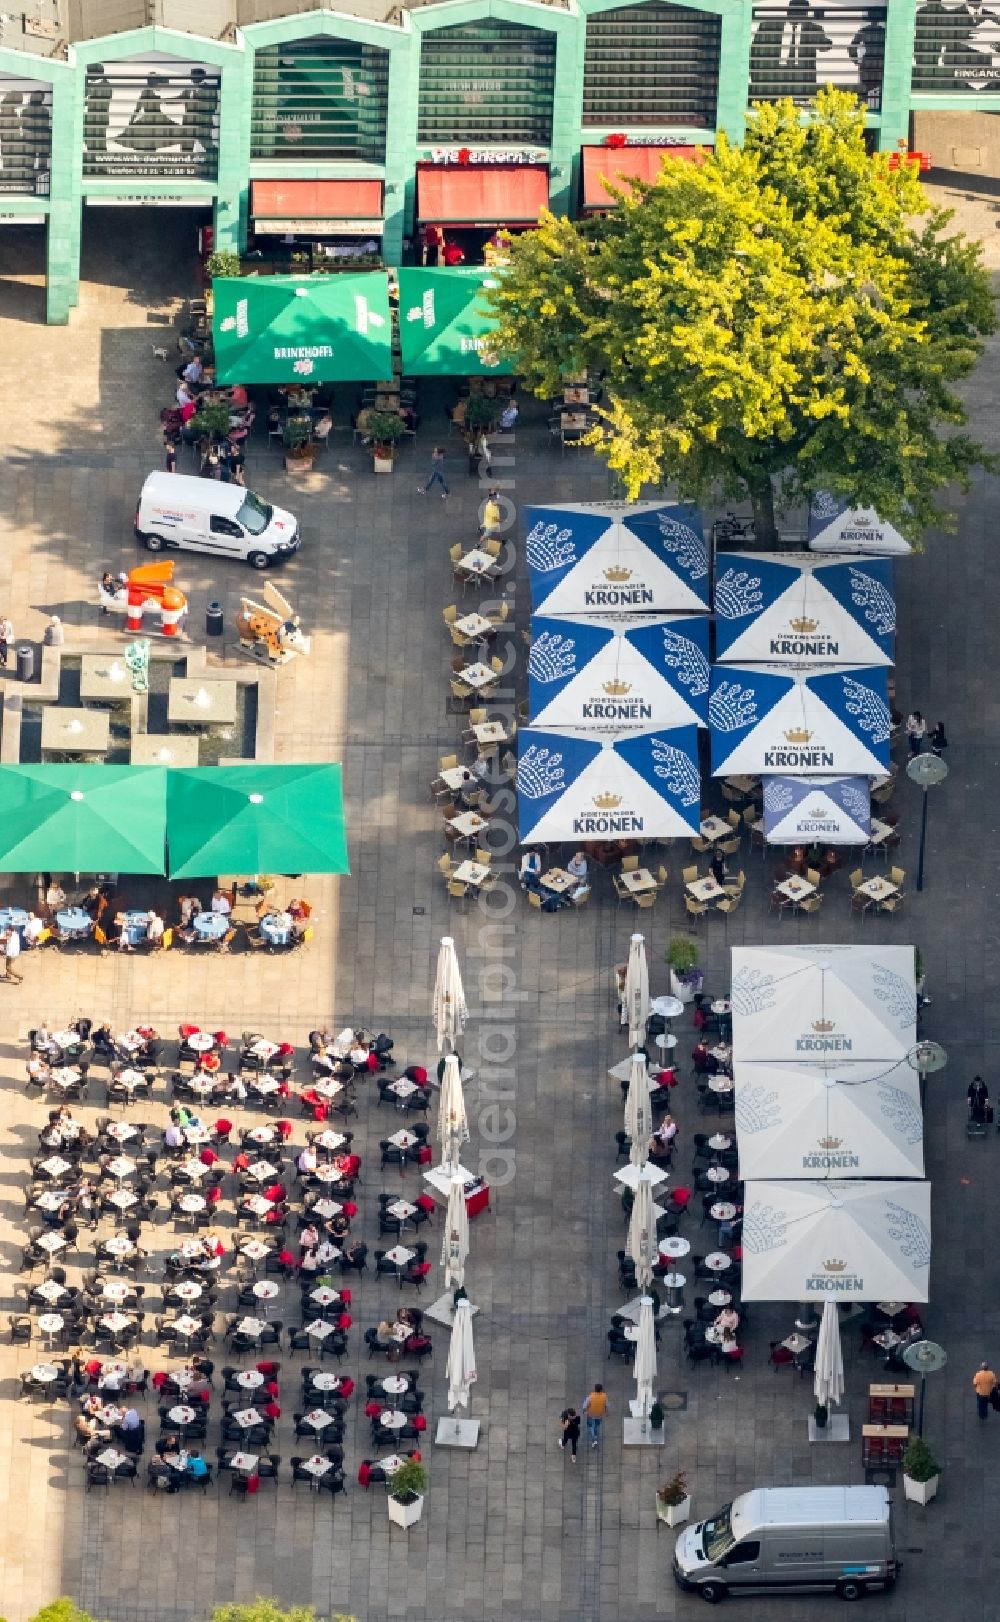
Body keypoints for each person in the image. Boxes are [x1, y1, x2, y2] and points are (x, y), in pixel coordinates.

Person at [582, 1383, 608, 1448]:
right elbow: (606, 1405)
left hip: (591, 1414)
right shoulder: (604, 1396)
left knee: (590, 1426)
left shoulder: (591, 1397)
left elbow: (585, 1405)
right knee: (597, 1425)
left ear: (595, 1389)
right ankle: (595, 1436)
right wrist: (607, 1412)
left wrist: (584, 1410)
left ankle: (594, 1439)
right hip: (599, 1414)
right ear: (601, 1390)